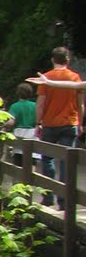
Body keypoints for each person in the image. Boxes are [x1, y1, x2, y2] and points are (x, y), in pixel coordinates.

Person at [35, 46, 85, 204]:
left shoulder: (46, 78)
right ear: (68, 60)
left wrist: (38, 122)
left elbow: (40, 104)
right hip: (70, 122)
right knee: (66, 160)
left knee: (47, 159)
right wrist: (81, 123)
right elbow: (80, 103)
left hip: (49, 123)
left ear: (52, 60)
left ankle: (48, 196)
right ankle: (64, 200)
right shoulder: (75, 77)